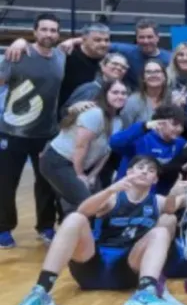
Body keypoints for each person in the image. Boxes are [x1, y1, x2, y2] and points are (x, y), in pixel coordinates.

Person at [11, 156, 175, 305]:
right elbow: (83, 210)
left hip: (127, 269)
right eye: (141, 167)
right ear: (129, 172)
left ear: (155, 179)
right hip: (92, 265)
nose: (145, 171)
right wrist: (110, 190)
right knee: (75, 218)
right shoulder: (113, 197)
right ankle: (40, 292)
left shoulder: (158, 201)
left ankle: (146, 292)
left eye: (151, 170)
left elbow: (173, 208)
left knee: (161, 231)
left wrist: (175, 193)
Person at [0, 12, 66, 248]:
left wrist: (76, 41)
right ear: (35, 31)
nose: (49, 34)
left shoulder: (60, 56)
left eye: (53, 30)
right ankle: (3, 228)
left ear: (58, 34)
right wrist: (18, 41)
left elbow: (78, 42)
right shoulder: (18, 54)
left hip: (46, 133)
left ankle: (46, 227)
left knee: (46, 182)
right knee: (6, 183)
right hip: (12, 133)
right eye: (44, 29)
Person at [40, 79, 128, 213]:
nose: (120, 96)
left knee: (98, 204)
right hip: (58, 161)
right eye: (115, 92)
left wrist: (92, 175)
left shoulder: (117, 121)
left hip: (80, 166)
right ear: (105, 94)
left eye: (123, 93)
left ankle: (81, 232)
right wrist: (80, 174)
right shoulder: (95, 113)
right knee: (85, 203)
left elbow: (106, 152)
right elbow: (81, 146)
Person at [61, 52, 130, 112]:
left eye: (123, 67)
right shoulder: (89, 89)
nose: (119, 68)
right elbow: (64, 113)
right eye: (115, 64)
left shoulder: (126, 93)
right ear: (103, 66)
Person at [121, 59, 173, 128]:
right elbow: (125, 130)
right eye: (148, 72)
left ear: (164, 77)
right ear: (143, 78)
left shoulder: (173, 98)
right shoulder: (133, 101)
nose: (153, 75)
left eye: (157, 71)